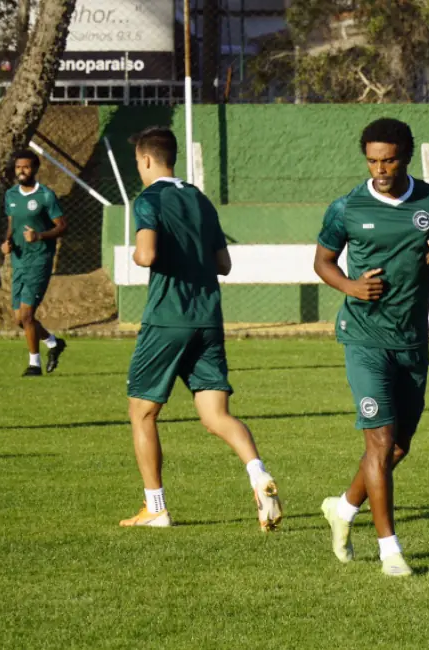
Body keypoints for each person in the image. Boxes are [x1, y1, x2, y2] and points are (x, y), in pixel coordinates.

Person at [315, 118, 429, 577]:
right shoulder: (347, 207)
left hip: (411, 341)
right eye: (372, 160)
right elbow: (323, 261)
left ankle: (343, 508)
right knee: (380, 442)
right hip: (364, 337)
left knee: (397, 447)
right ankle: (390, 551)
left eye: (388, 159)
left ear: (405, 155)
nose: (380, 168)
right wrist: (350, 286)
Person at [119, 127, 282, 531]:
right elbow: (223, 264)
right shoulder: (200, 199)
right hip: (208, 318)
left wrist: (145, 256)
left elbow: (147, 253)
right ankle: (258, 474)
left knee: (142, 413)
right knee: (215, 415)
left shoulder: (149, 199)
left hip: (167, 319)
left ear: (145, 160)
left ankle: (155, 507)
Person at [1, 150, 68, 376]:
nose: (22, 170)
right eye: (18, 167)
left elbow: (62, 227)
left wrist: (39, 236)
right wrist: (7, 242)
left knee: (27, 315)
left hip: (39, 259)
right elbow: (12, 223)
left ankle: (34, 364)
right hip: (18, 260)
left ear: (35, 169)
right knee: (19, 319)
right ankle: (53, 342)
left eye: (27, 167)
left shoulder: (46, 196)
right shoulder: (10, 195)